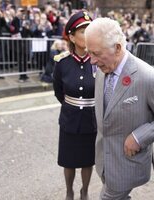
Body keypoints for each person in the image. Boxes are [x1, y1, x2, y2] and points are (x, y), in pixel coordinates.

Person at [84, 17, 154, 200]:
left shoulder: (147, 76)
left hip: (128, 164)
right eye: (89, 53)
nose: (91, 61)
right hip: (105, 162)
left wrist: (140, 137)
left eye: (96, 53)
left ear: (117, 48)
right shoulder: (102, 68)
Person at [53, 11, 97, 200]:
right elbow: (58, 92)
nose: (87, 35)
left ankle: (84, 191)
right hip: (69, 119)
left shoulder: (99, 61)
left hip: (91, 119)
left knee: (88, 161)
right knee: (69, 161)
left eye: (90, 30)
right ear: (71, 36)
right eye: (82, 31)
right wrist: (72, 106)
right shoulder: (62, 63)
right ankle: (69, 190)